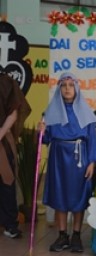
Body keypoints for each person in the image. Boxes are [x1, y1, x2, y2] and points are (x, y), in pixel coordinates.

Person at [40, 72, 96, 253]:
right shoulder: (51, 112)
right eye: (63, 85)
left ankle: (75, 235)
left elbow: (92, 138)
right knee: (60, 195)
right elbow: (46, 139)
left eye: (70, 85)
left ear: (76, 88)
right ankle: (62, 235)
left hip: (79, 158)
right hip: (58, 157)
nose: (67, 89)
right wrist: (41, 131)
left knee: (77, 196)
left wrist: (91, 162)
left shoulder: (85, 112)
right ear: (59, 88)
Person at [0, 73, 31, 238]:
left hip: (2, 140)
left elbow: (13, 113)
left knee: (6, 182)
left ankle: (10, 224)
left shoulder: (5, 82)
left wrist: (1, 133)